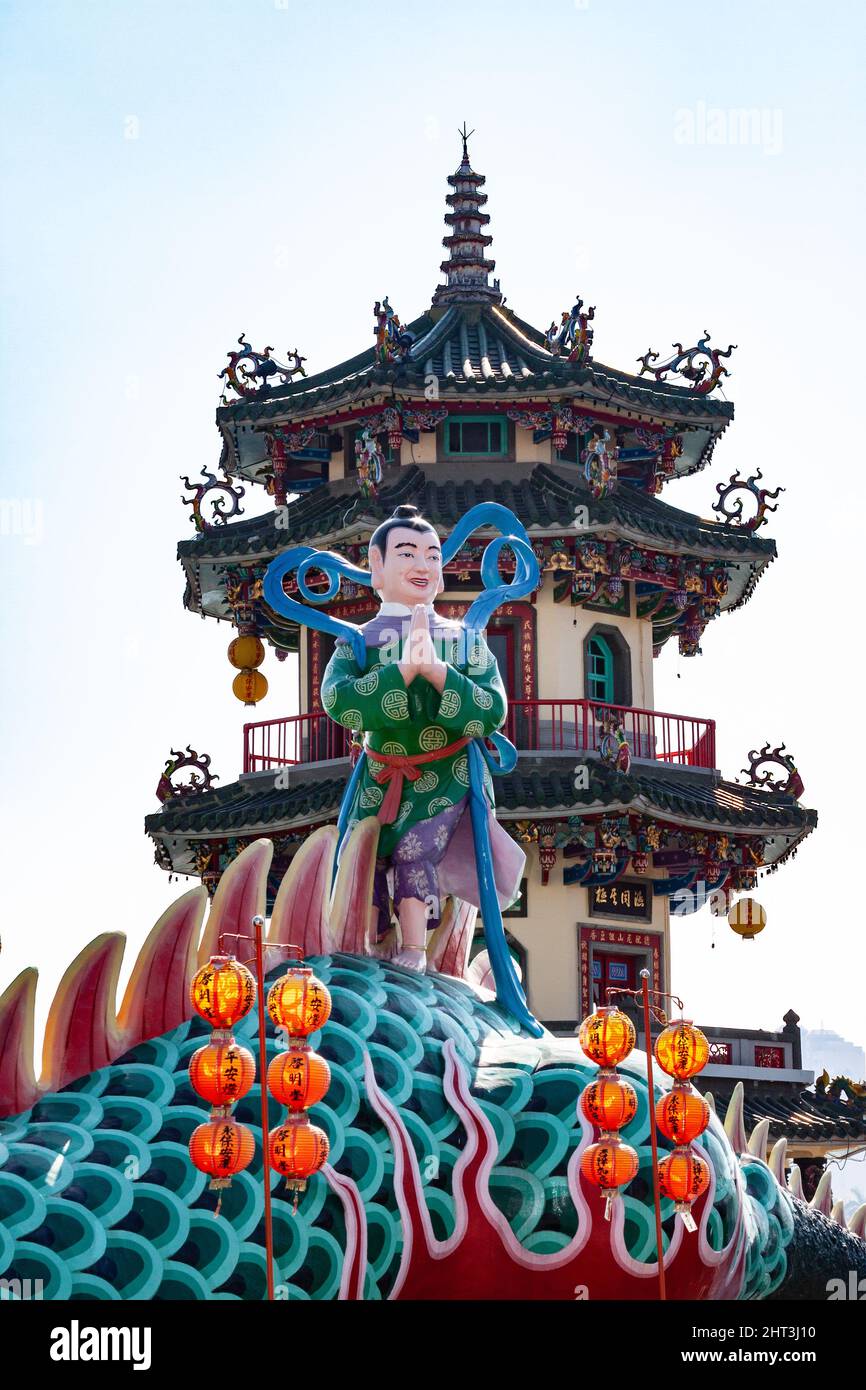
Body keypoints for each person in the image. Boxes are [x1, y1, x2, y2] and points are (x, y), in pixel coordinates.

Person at [320, 504, 524, 971]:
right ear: (377, 566)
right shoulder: (356, 642)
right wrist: (401, 671)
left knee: (415, 849)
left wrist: (436, 672)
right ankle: (360, 945)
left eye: (433, 556)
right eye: (407, 553)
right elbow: (339, 701)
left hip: (444, 773)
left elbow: (492, 709)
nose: (422, 566)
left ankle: (415, 950)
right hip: (378, 774)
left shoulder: (465, 640)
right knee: (363, 855)